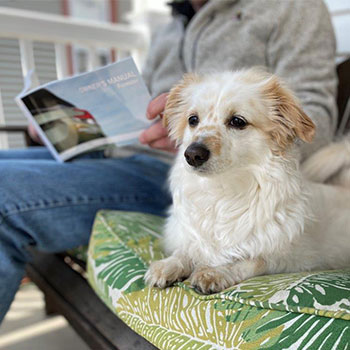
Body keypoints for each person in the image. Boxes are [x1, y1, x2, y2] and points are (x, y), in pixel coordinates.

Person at [0, 0, 337, 323]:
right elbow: (141, 111)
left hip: (160, 171)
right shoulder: (168, 26)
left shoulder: (294, 6)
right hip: (117, 153)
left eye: (236, 122)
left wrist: (249, 127)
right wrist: (66, 123)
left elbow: (312, 120)